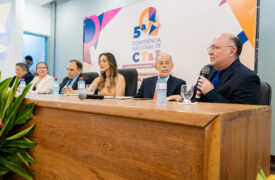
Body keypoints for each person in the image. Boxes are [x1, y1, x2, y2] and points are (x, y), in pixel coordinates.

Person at [193, 33, 260, 104]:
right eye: (210, 48)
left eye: (215, 48)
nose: (210, 52)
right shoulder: (207, 70)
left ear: (232, 51)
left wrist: (211, 93)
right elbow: (195, 99)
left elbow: (240, 112)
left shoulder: (247, 77)